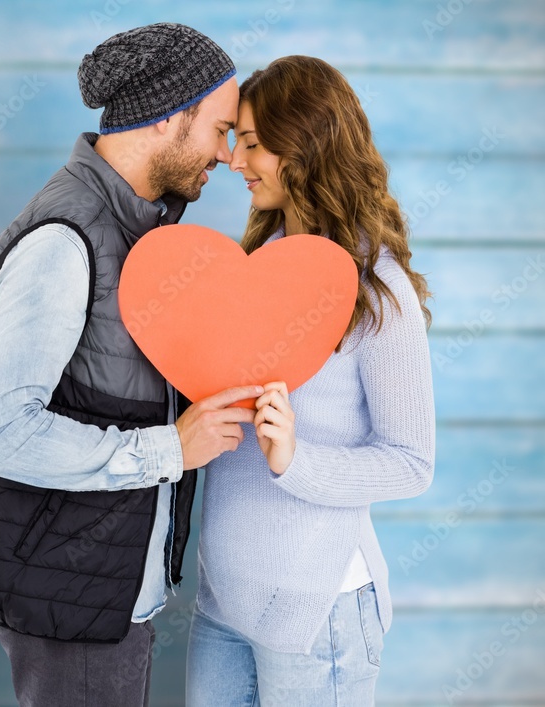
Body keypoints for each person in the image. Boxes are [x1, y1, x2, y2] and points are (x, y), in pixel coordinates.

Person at [0, 23, 262, 707]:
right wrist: (171, 447)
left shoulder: (135, 231)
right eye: (221, 129)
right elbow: (2, 433)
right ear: (171, 118)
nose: (229, 156)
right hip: (72, 600)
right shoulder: (67, 239)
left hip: (101, 591)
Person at [185, 55, 436, 706]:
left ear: (303, 147)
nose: (234, 163)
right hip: (221, 601)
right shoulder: (255, 268)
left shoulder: (379, 293)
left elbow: (412, 463)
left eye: (252, 144)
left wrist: (295, 460)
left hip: (316, 614)